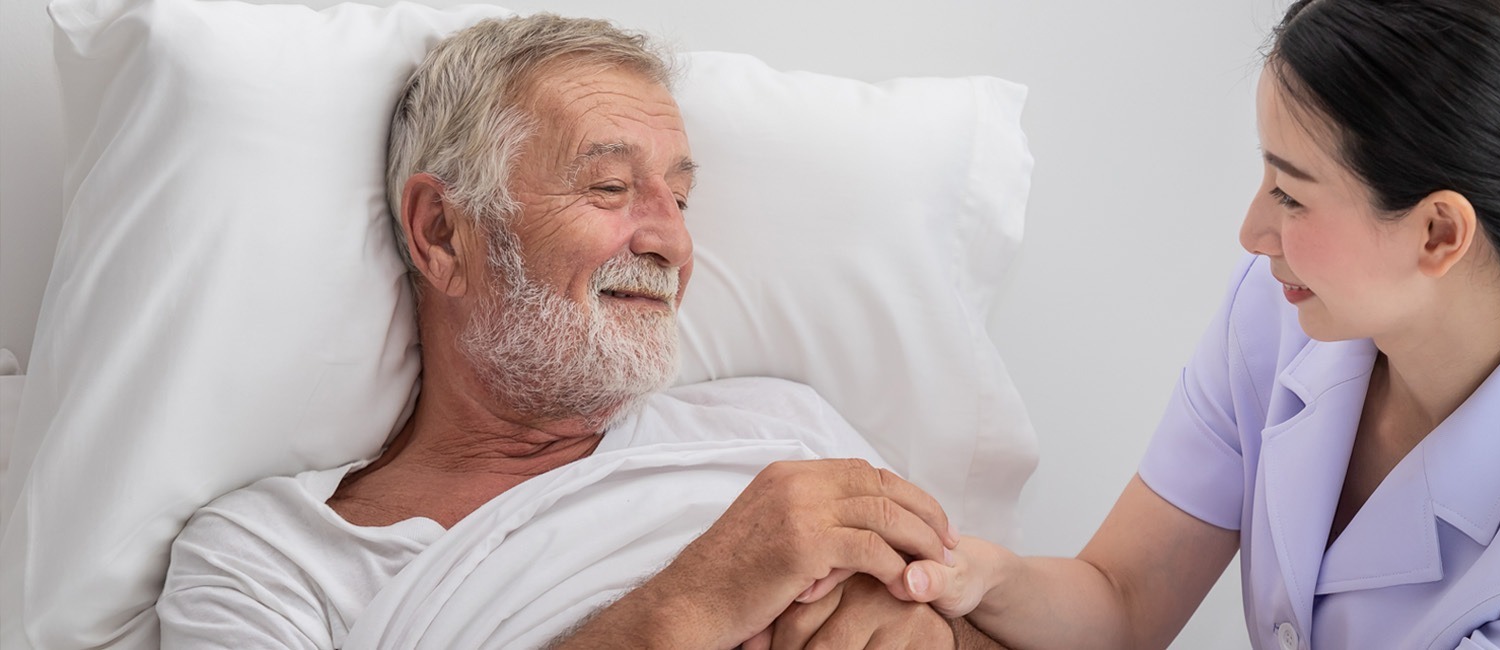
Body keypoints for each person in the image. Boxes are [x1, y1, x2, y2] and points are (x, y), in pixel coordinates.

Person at [896, 1, 1500, 648]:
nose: (1252, 232)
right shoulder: (1277, 312)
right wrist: (983, 582)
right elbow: (1121, 599)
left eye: (1290, 194)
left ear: (1438, 233)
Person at [157, 14, 994, 649]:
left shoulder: (782, 430)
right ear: (444, 233)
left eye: (680, 198)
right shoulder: (267, 562)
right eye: (609, 187)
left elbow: (985, 606)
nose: (673, 242)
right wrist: (689, 606)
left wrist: (935, 635)